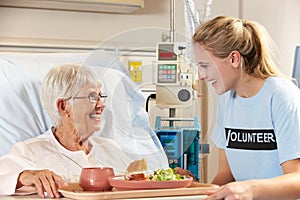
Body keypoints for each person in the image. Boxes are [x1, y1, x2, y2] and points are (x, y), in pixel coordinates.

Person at [0, 63, 169, 198]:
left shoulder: (110, 148)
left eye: (100, 96)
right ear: (64, 106)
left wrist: (170, 176)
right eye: (92, 97)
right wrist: (24, 176)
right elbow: (5, 176)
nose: (101, 105)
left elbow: (140, 184)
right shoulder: (30, 151)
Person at [193, 16, 300, 199]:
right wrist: (192, 187)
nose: (201, 76)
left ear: (234, 59)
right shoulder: (227, 98)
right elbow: (226, 176)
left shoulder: (281, 95)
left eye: (205, 65)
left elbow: (297, 179)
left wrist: (249, 189)